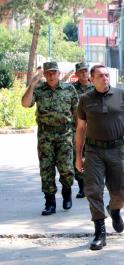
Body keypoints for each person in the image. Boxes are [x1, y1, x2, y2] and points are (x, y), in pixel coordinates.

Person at [75, 64, 124, 250]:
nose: (105, 78)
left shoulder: (121, 95)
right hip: (93, 151)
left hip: (116, 149)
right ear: (92, 79)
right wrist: (78, 157)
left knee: (120, 191)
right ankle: (99, 231)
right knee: (93, 190)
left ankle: (115, 209)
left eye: (107, 75)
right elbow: (80, 129)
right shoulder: (85, 100)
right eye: (101, 76)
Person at [21, 61, 79, 215]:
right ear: (44, 75)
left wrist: (77, 135)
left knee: (66, 169)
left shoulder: (69, 89)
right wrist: (32, 85)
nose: (51, 75)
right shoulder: (39, 89)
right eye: (48, 73)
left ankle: (67, 193)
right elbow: (25, 104)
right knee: (46, 170)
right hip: (45, 136)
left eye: (54, 72)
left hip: (65, 134)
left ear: (59, 74)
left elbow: (77, 114)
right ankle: (50, 202)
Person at [72, 62, 94, 198]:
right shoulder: (71, 89)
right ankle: (81, 187)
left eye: (86, 71)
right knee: (78, 156)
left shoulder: (95, 87)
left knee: (92, 157)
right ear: (76, 74)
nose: (84, 74)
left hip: (93, 128)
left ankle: (92, 185)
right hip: (77, 128)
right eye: (81, 71)